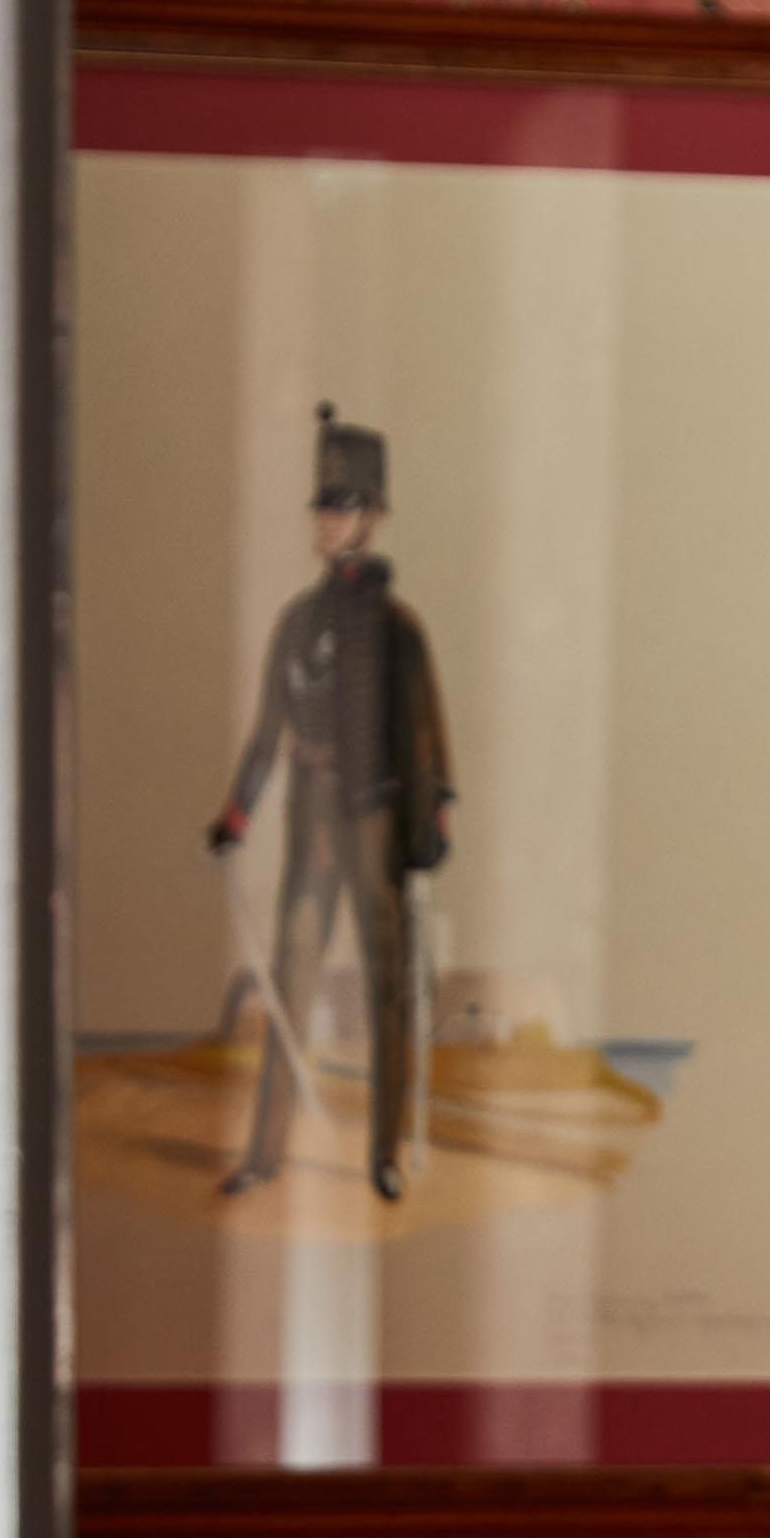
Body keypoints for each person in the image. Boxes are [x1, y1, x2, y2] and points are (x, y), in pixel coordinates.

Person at [207, 404, 456, 1202]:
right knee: (290, 980)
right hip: (310, 819)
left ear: (373, 516)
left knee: (388, 988)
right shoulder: (297, 621)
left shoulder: (400, 629)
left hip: (377, 820)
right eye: (323, 507)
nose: (326, 521)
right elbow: (266, 731)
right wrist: (238, 813)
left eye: (342, 507)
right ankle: (264, 1154)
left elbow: (428, 731)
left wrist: (437, 814)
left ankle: (384, 1153)